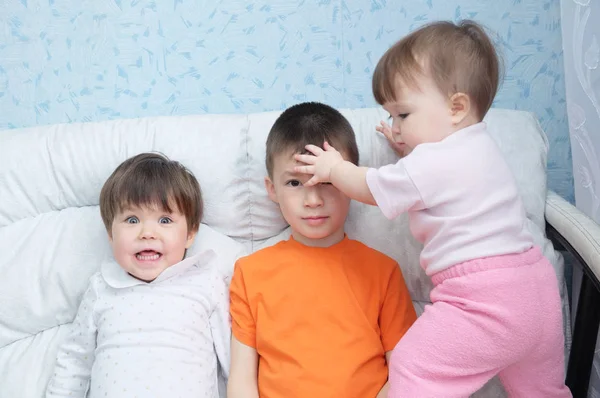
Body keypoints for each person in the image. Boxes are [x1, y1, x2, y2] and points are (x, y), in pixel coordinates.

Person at [294, 21, 572, 398]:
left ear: (456, 107)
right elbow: (433, 176)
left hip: (483, 299)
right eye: (391, 116)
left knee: (412, 370)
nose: (395, 126)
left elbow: (373, 187)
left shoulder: (430, 164)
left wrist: (335, 169)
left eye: (403, 115)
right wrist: (408, 148)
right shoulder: (479, 146)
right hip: (535, 289)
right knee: (542, 391)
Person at [227, 102, 417, 398]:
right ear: (272, 189)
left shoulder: (383, 271)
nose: (313, 199)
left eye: (327, 181)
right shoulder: (249, 273)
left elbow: (407, 372)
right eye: (294, 182)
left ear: (351, 180)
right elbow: (241, 380)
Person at [46, 152, 230, 398]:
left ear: (190, 234)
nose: (147, 233)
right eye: (132, 219)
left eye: (165, 220)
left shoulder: (205, 280)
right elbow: (75, 358)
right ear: (110, 234)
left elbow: (234, 356)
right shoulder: (102, 286)